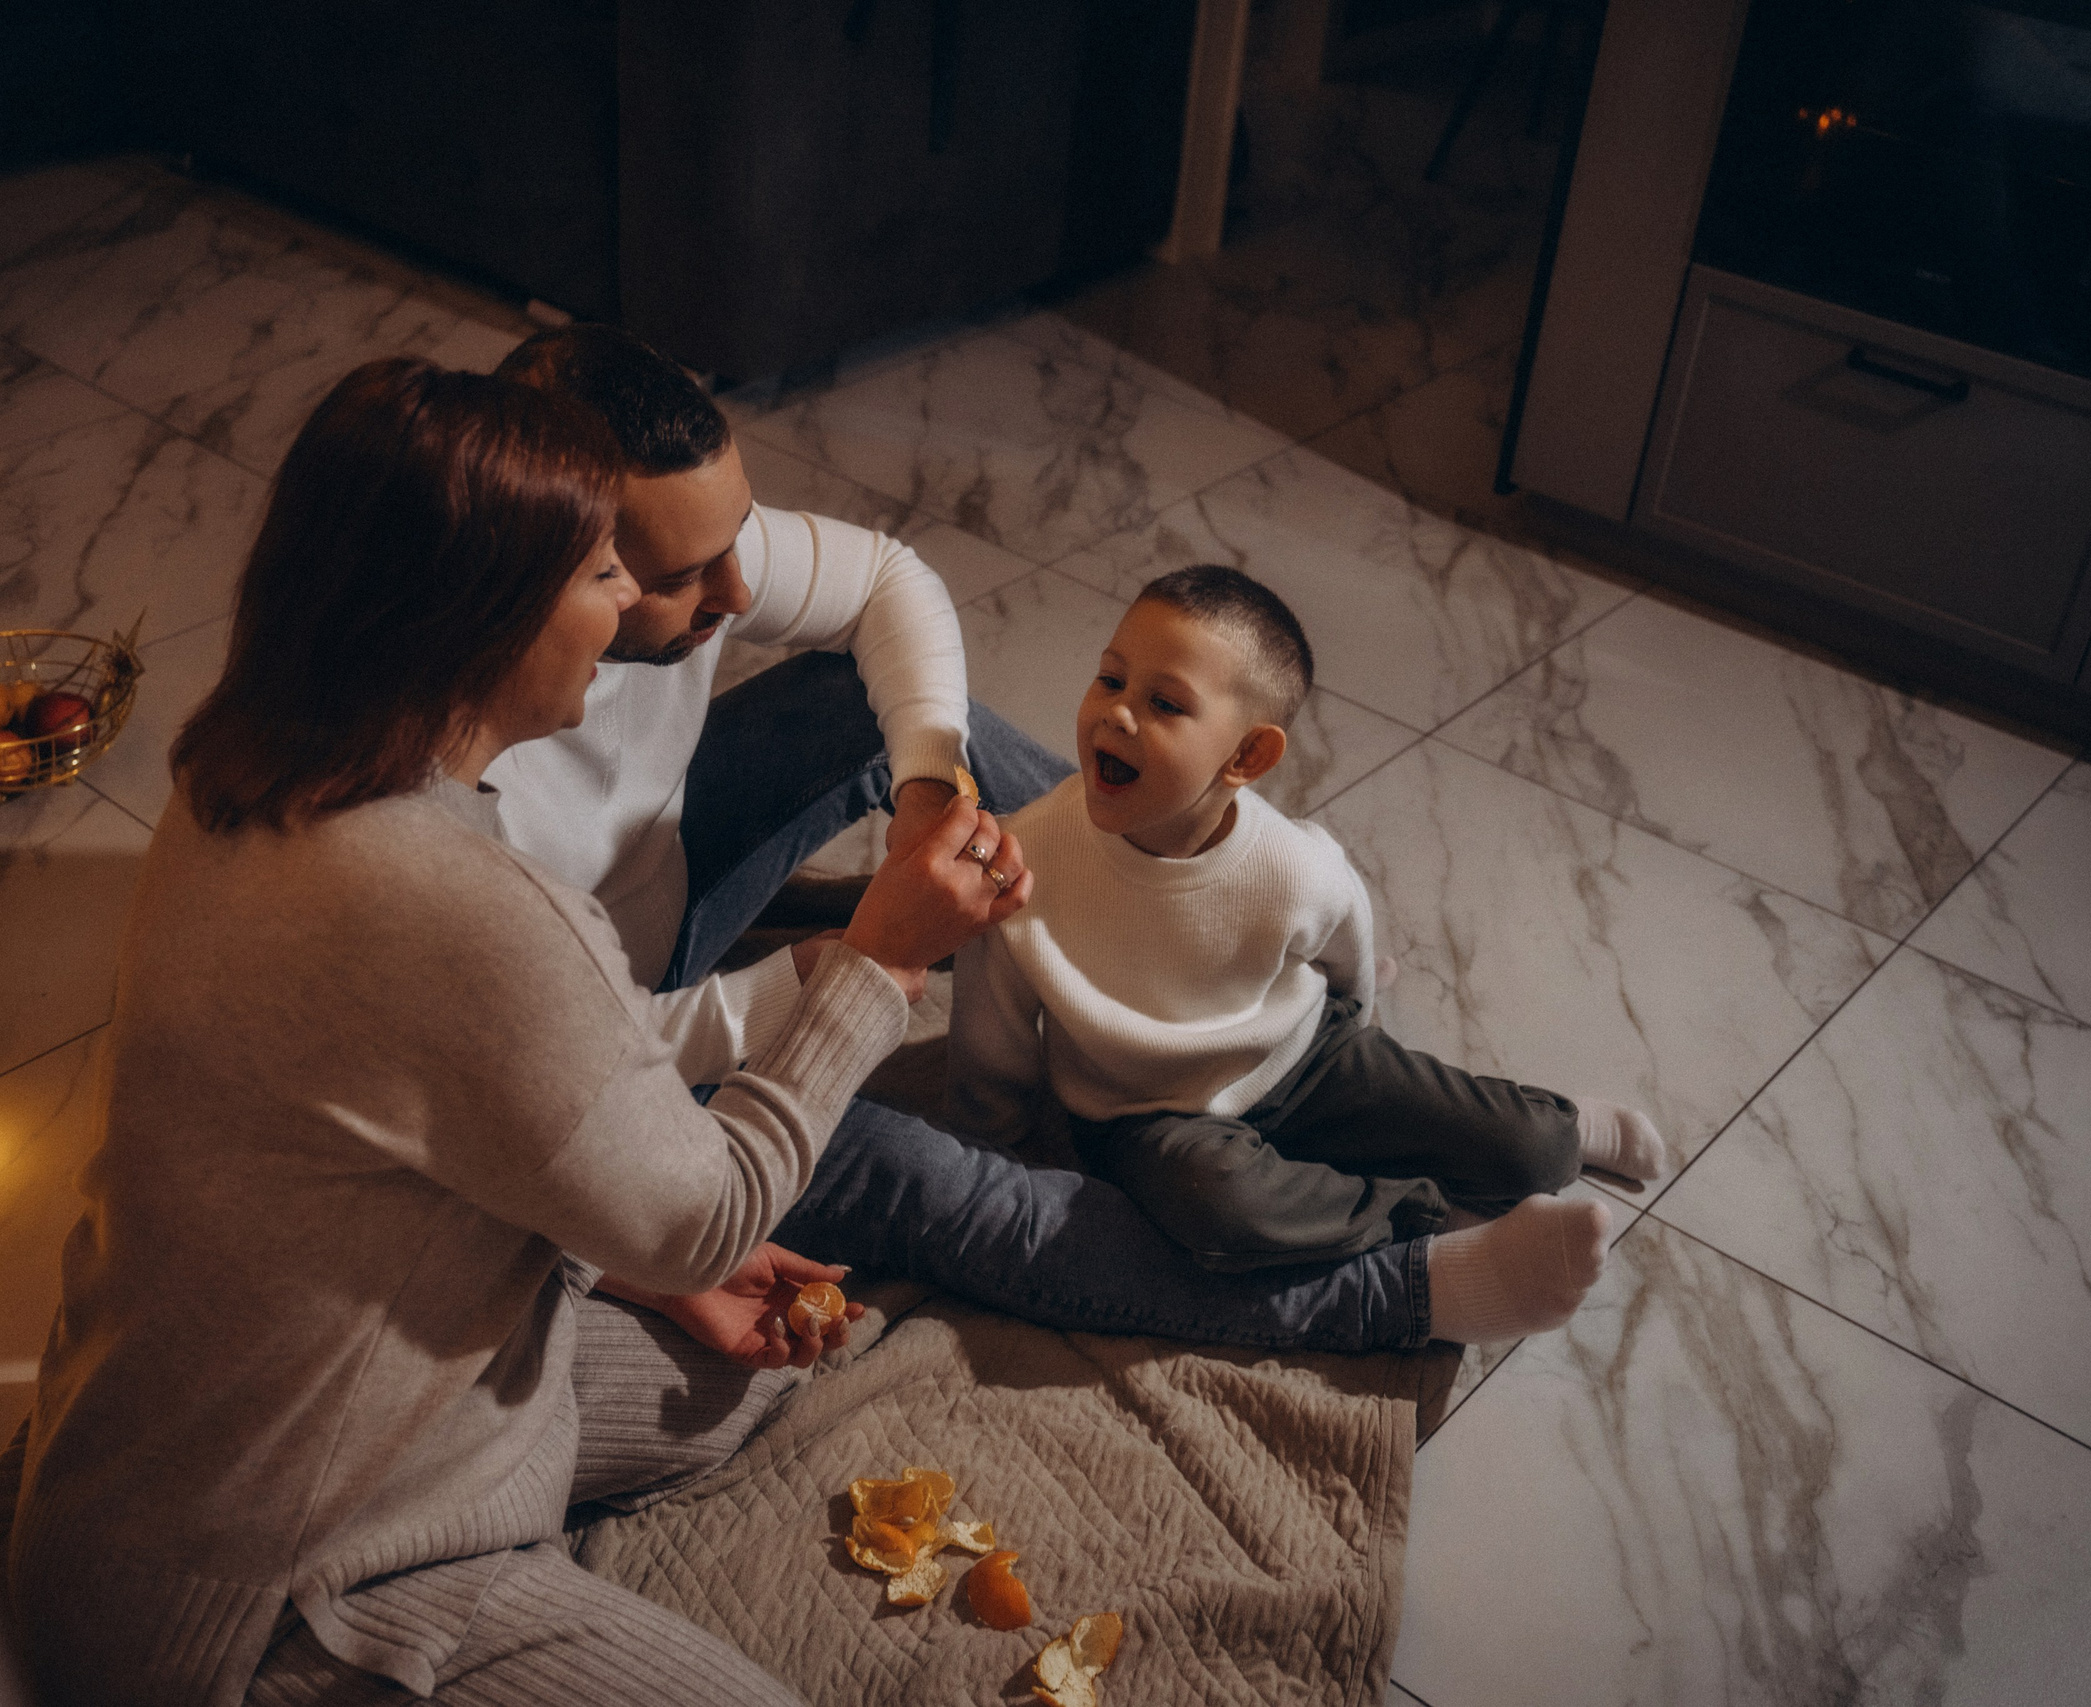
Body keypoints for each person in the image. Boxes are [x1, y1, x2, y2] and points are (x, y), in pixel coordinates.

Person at [0, 357, 1034, 1707]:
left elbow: (449, 1135)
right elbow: (702, 1213)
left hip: (227, 1429)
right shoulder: (467, 904)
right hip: (273, 1590)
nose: (626, 604)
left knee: (753, 1370)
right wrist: (877, 965)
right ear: (483, 613)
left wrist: (631, 1268)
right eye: (602, 571)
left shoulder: (248, 764)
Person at [483, 326, 1447, 1355]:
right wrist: (824, 979)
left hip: (652, 899)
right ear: (560, 564)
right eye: (687, 574)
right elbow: (556, 1080)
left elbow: (887, 579)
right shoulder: (451, 816)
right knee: (934, 1182)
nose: (740, 593)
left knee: (894, 715)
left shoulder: (679, 553)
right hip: (613, 1048)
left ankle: (1190, 914)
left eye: (739, 540)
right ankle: (1393, 1292)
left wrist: (926, 795)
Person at [949, 566, 1673, 1343]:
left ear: (1248, 755)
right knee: (1217, 1205)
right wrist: (997, 1127)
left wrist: (1356, 1021)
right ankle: (1433, 1218)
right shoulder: (1029, 856)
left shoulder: (1293, 866)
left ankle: (1571, 1130)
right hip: (1144, 1115)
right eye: (1110, 678)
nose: (1116, 713)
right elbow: (992, 1013)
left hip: (1303, 1060)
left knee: (1524, 1145)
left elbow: (1348, 948)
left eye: (1165, 704)